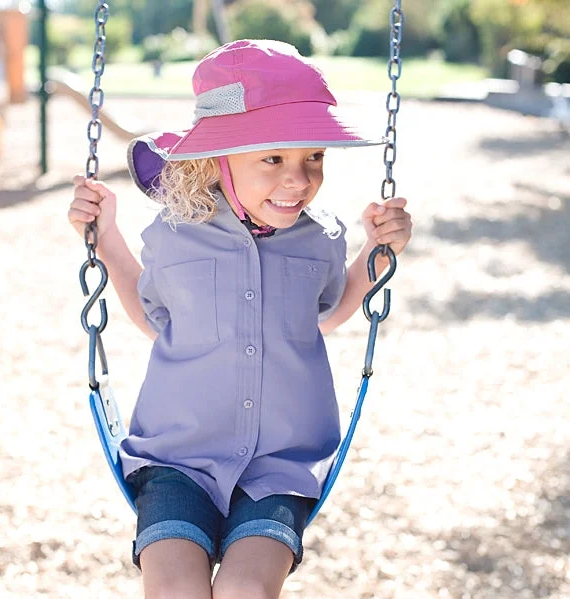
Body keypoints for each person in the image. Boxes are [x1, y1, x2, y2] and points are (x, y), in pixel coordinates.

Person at [68, 39, 412, 599]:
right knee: (176, 590)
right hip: (176, 459)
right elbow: (154, 317)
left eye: (313, 158)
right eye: (273, 159)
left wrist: (376, 254)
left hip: (281, 466)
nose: (298, 179)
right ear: (218, 160)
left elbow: (323, 315)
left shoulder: (321, 238)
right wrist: (105, 237)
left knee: (246, 591)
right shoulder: (175, 235)